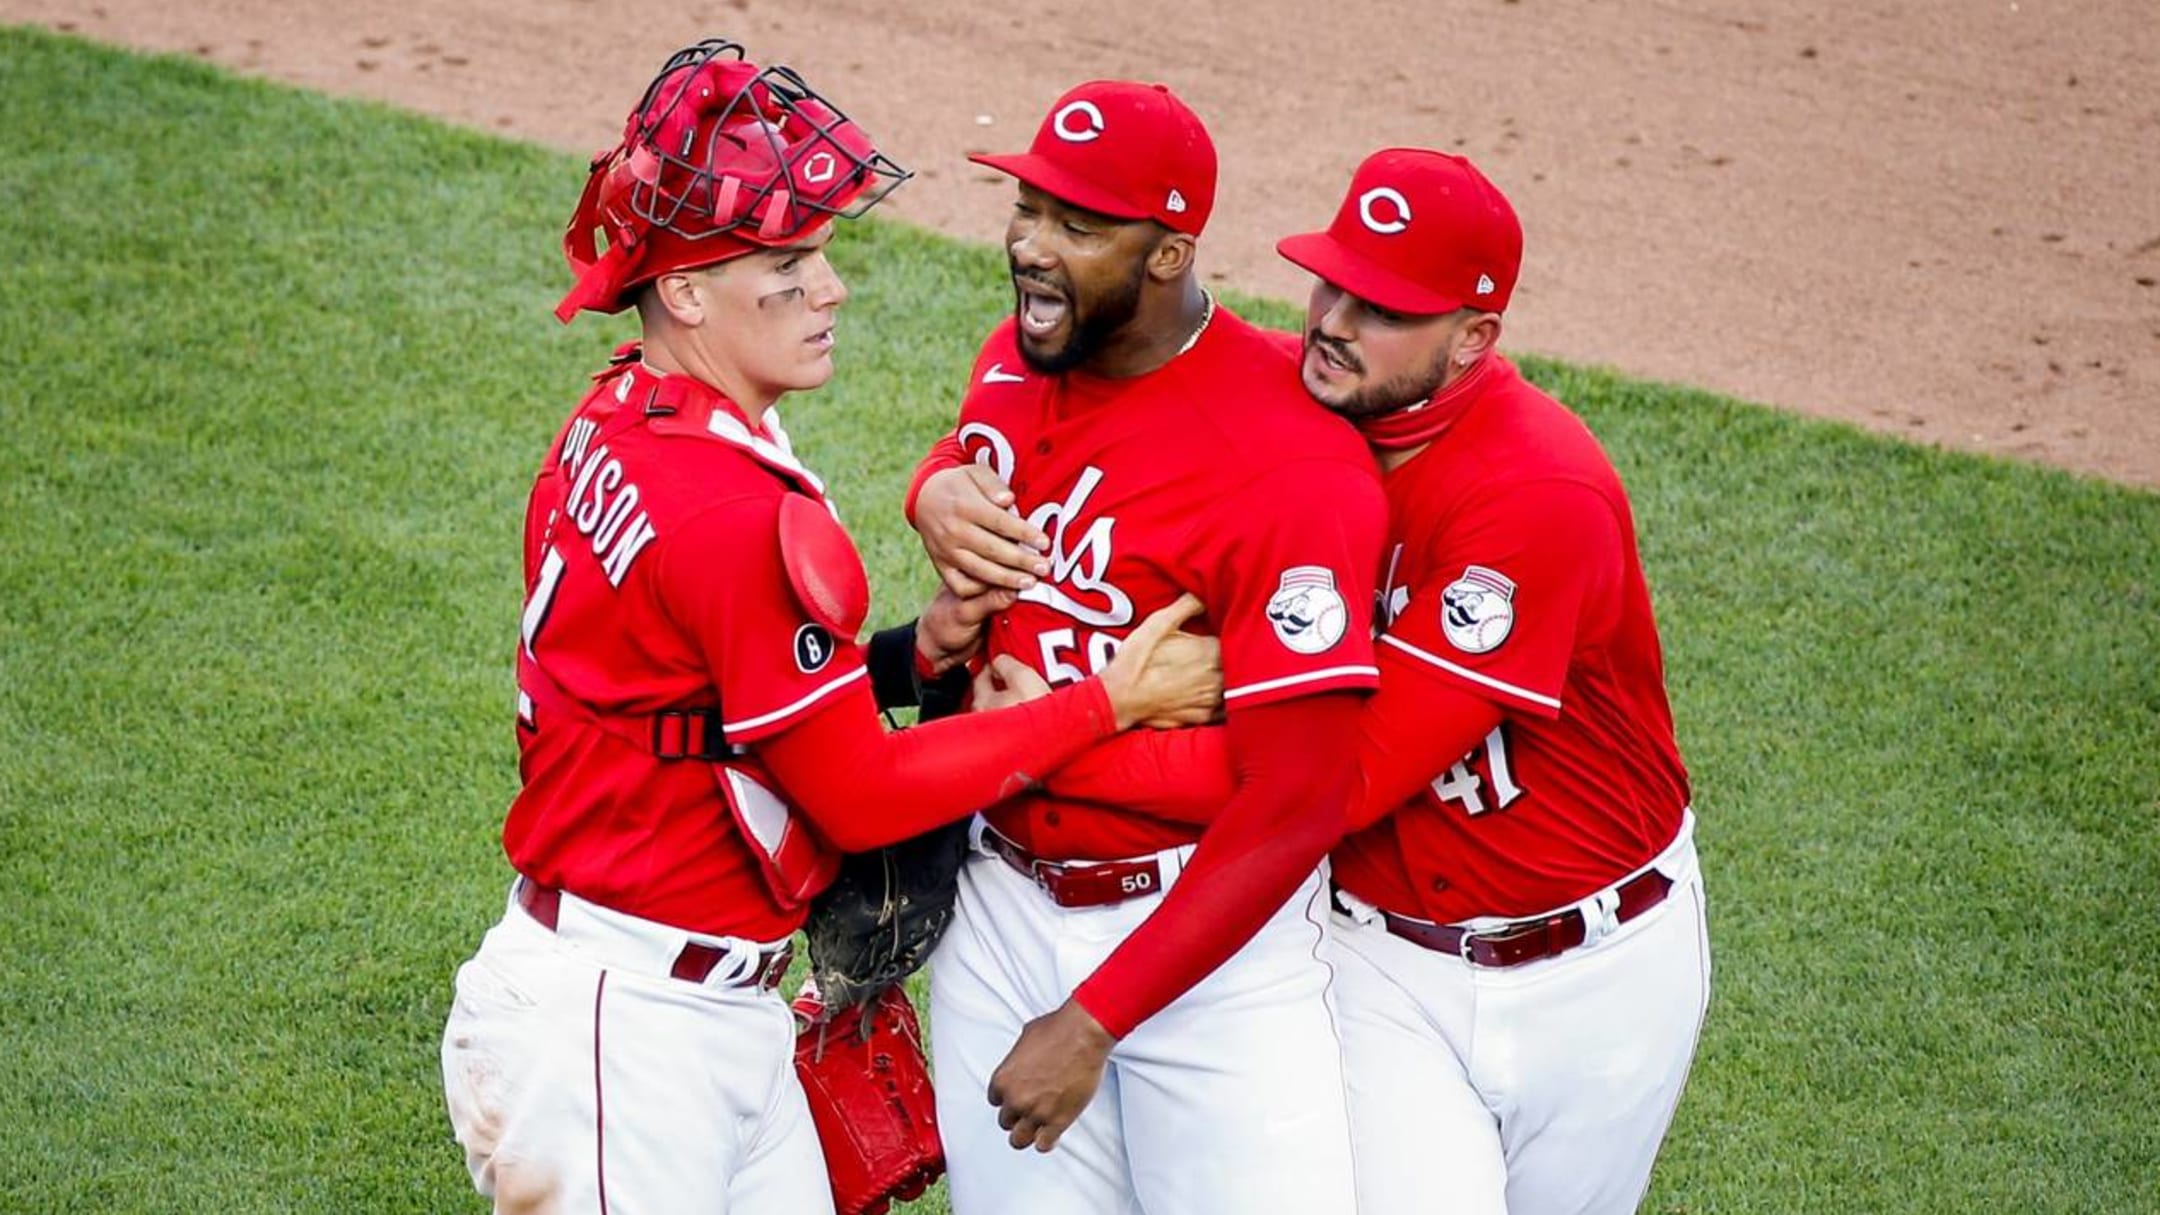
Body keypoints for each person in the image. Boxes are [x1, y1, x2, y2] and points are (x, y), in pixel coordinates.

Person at [435, 41, 1217, 1215]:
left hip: (680, 999)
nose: (832, 288)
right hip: (621, 1039)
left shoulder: (623, 417)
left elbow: (706, 695)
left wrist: (916, 654)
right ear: (688, 290)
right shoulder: (728, 510)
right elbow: (857, 795)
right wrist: (1109, 704)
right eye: (789, 265)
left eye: (823, 256)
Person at [920, 148, 1711, 1215]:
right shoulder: (1300, 420)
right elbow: (1081, 423)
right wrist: (938, 482)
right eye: (1332, 283)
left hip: (1595, 959)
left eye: (1385, 310)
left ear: (1475, 340)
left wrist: (1060, 734)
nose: (1335, 322)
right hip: (1374, 952)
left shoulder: (1533, 495)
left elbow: (1329, 787)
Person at [903, 79, 1388, 1215]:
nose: (1032, 247)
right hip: (998, 912)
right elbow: (978, 439)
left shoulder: (1288, 463)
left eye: (1078, 227)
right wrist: (930, 489)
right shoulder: (1023, 358)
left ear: (1169, 254)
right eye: (1027, 208)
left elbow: (1298, 799)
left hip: (1204, 955)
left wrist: (1095, 1019)